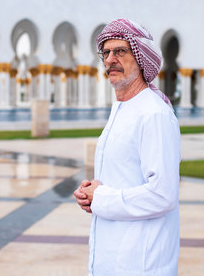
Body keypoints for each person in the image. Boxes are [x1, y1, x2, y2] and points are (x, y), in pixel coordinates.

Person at [74, 18, 181, 275]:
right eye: (106, 52)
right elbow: (121, 178)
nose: (111, 59)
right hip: (113, 258)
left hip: (141, 263)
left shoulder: (154, 114)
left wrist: (100, 197)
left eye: (121, 51)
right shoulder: (123, 110)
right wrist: (91, 194)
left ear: (141, 57)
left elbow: (163, 195)